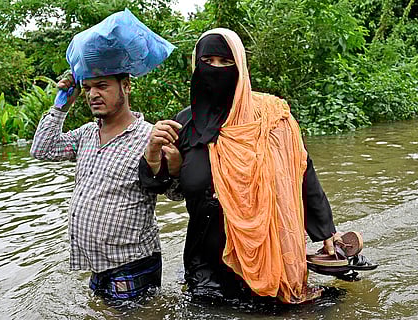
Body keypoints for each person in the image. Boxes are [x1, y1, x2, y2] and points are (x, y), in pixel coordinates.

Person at [139, 28, 340, 303]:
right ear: (196, 64)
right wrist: (154, 158)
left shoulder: (270, 117)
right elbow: (161, 187)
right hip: (205, 267)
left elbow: (300, 170)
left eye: (226, 62)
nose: (216, 70)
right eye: (207, 61)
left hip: (268, 256)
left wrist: (325, 230)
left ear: (241, 66)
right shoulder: (185, 123)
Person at [30, 9, 174, 300]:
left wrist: (158, 159)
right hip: (97, 266)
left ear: (126, 85)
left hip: (132, 263)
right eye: (88, 88)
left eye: (102, 86)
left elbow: (173, 192)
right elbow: (42, 149)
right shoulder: (86, 134)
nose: (93, 94)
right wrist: (62, 105)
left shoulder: (149, 137)